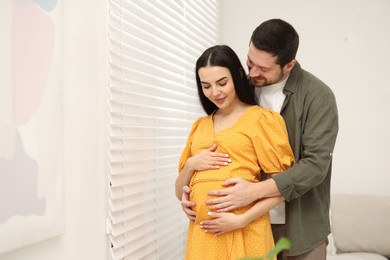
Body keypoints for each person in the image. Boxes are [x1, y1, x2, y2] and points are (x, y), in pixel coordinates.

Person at [179, 19, 339, 260]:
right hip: (245, 226)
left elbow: (315, 166)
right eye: (250, 62)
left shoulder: (317, 96)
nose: (253, 73)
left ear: (288, 65)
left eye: (263, 69)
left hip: (299, 226)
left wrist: (252, 193)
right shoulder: (241, 87)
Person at [175, 44, 295, 260]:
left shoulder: (261, 120)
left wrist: (241, 220)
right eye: (206, 86)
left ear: (238, 75)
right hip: (203, 236)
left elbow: (283, 187)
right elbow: (178, 191)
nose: (215, 92)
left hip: (245, 230)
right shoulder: (199, 126)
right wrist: (192, 164)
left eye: (222, 83)